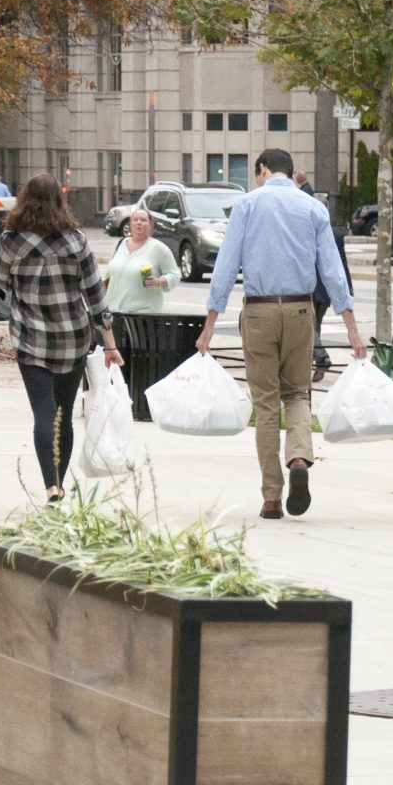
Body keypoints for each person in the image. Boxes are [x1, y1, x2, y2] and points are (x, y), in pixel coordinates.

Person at [196, 148, 367, 519]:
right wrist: (353, 331)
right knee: (297, 393)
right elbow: (333, 273)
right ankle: (299, 459)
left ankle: (272, 497)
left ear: (262, 169)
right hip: (301, 309)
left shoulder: (247, 205)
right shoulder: (314, 209)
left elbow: (225, 267)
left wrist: (209, 325)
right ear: (291, 173)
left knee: (266, 403)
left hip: (258, 310)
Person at [0, 174, 122, 502]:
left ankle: (50, 484)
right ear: (59, 201)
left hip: (30, 338)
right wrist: (109, 343)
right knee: (64, 414)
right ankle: (60, 484)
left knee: (43, 413)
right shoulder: (76, 240)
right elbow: (95, 295)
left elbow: (0, 284)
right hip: (73, 339)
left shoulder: (10, 241)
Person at [310, 192, 352, 381]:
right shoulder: (336, 233)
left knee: (308, 327)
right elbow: (341, 264)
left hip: (312, 288)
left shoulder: (311, 231)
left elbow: (338, 263)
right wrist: (347, 288)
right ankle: (317, 358)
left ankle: (321, 357)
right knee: (314, 325)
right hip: (326, 290)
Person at [105, 207, 179, 313]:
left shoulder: (158, 248)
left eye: (143, 220)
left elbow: (174, 275)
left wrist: (158, 281)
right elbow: (108, 277)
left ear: (150, 225)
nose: (138, 223)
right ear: (130, 225)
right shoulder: (119, 244)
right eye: (135, 220)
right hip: (114, 312)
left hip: (141, 314)